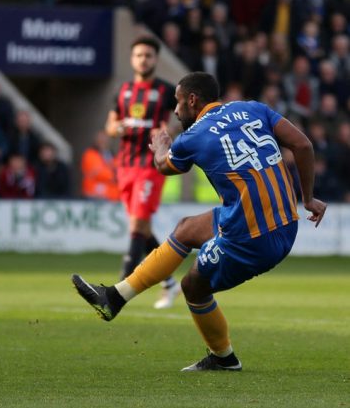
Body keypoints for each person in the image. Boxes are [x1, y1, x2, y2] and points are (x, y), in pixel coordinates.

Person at [72, 72, 327, 371]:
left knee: (193, 286)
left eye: (178, 103)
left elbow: (163, 167)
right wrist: (307, 198)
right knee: (186, 229)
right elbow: (304, 145)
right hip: (286, 221)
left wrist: (160, 148)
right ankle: (115, 297)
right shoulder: (253, 108)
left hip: (252, 237)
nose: (176, 111)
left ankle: (223, 358)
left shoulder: (193, 136)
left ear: (192, 100)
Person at [104, 36, 180, 309]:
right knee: (143, 228)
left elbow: (184, 118)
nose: (143, 60)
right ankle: (170, 283)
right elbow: (110, 126)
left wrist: (170, 132)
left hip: (150, 166)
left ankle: (119, 291)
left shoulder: (166, 91)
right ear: (131, 59)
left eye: (148, 55)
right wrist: (118, 128)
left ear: (155, 59)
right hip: (124, 165)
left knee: (136, 225)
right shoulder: (123, 91)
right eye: (139, 55)